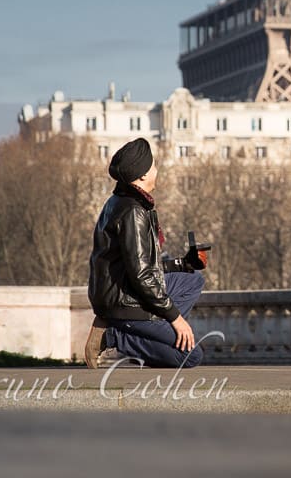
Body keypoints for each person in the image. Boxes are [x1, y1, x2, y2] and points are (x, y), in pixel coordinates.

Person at [84, 137, 207, 369]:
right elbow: (141, 276)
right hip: (125, 301)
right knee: (190, 356)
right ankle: (113, 335)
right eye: (153, 166)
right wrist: (175, 318)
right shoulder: (133, 212)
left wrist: (182, 263)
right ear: (142, 176)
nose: (157, 170)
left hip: (123, 291)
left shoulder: (122, 201)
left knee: (193, 280)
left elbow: (141, 265)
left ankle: (154, 337)